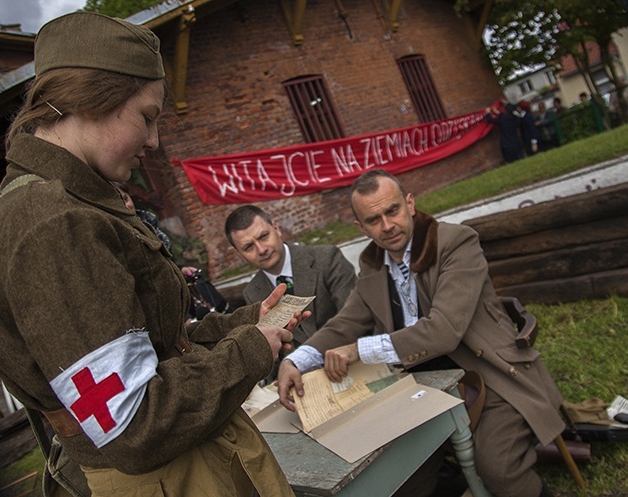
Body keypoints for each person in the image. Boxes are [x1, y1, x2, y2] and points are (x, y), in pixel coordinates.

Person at [0, 12, 305, 497]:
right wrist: (253, 348)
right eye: (146, 117)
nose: (153, 141)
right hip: (172, 479)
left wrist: (243, 324)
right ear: (90, 100)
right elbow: (136, 422)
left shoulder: (67, 204)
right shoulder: (52, 222)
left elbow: (148, 345)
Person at [277, 169, 565, 497]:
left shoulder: (457, 242)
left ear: (410, 204)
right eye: (373, 220)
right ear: (360, 227)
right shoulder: (372, 264)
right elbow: (346, 322)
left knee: (498, 469)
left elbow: (443, 331)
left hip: (490, 376)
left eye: (393, 211)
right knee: (395, 472)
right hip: (423, 386)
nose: (387, 226)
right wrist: (297, 361)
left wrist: (357, 350)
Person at [225, 205, 356, 347]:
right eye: (248, 247)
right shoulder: (252, 293)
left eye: (264, 236)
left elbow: (354, 318)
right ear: (239, 254)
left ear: (276, 229)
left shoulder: (327, 258)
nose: (261, 250)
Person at [116, 184, 233, 320]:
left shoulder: (149, 222)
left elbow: (167, 262)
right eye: (119, 202)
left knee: (203, 288)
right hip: (155, 297)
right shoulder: (118, 235)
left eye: (125, 198)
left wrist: (181, 270)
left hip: (176, 284)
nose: (126, 205)